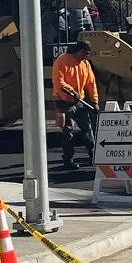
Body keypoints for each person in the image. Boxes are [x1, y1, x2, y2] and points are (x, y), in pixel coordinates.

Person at [51, 37, 100, 169]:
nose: (85, 57)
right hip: (63, 102)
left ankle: (93, 156)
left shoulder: (85, 64)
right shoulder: (62, 61)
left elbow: (91, 83)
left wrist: (94, 101)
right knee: (68, 132)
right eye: (85, 54)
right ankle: (68, 161)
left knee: (87, 129)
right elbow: (58, 82)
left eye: (88, 55)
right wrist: (72, 91)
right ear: (79, 51)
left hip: (79, 102)